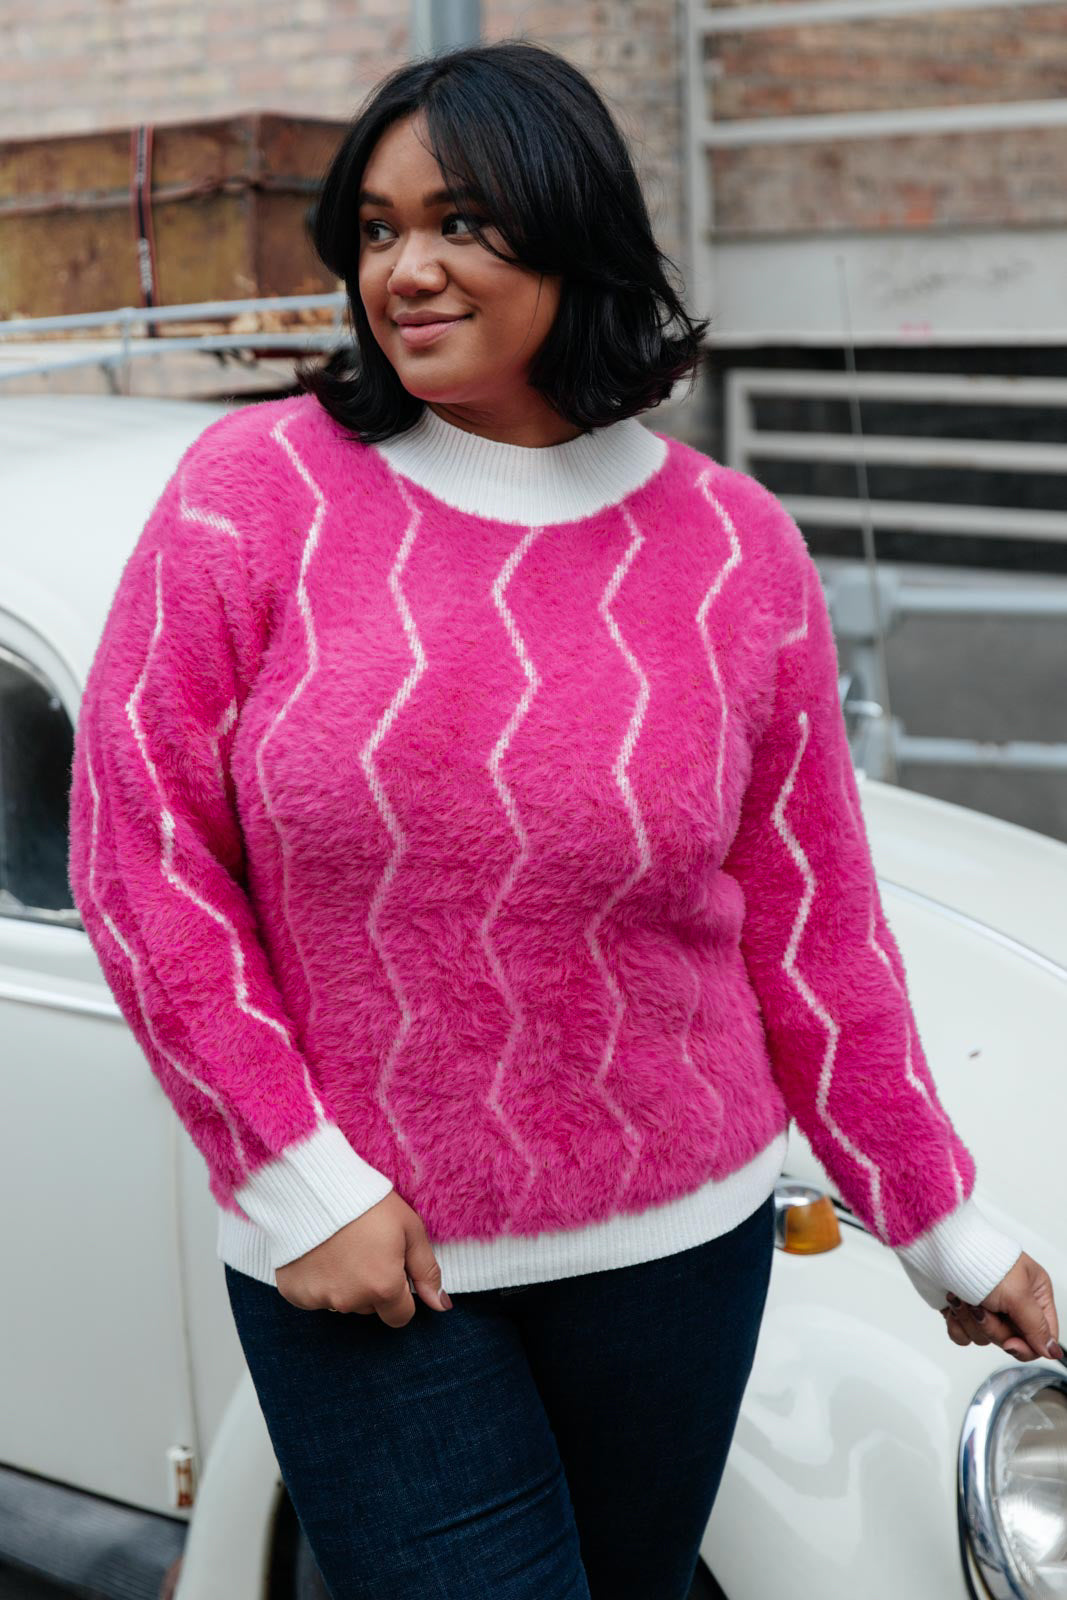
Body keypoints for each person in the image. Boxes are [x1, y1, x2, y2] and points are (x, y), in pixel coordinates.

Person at [67, 38, 1060, 1600]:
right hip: (374, 1276)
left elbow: (812, 928)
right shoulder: (252, 494)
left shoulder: (734, 546)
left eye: (462, 221)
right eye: (380, 230)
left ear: (572, 229)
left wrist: (939, 1224)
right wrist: (296, 1180)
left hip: (683, 1250)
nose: (410, 269)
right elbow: (144, 857)